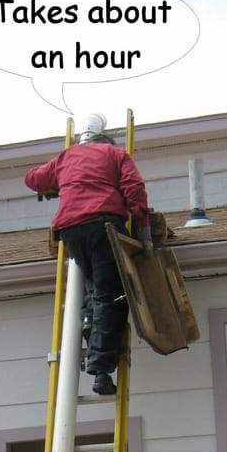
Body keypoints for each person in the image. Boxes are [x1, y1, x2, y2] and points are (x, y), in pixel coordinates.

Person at [24, 114, 152, 395]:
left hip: (70, 230)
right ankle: (101, 372)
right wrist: (142, 226)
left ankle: (86, 322)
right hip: (103, 224)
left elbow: (32, 178)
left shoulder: (67, 156)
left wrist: (57, 184)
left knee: (91, 282)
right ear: (107, 142)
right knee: (112, 296)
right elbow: (134, 188)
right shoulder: (117, 155)